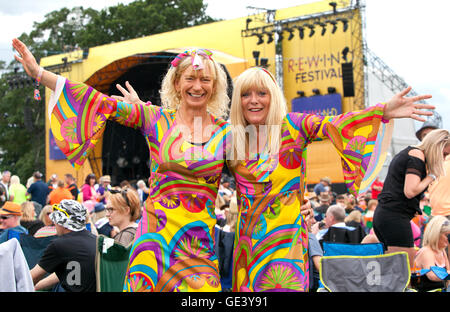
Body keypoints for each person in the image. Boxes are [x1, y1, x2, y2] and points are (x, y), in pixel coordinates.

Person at [12, 38, 232, 292]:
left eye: (205, 79)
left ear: (215, 86)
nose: (197, 86)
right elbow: (98, 102)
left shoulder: (227, 134)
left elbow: (263, 169)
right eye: (190, 78)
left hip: (199, 248)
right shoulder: (156, 119)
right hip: (154, 244)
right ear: (176, 82)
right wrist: (39, 73)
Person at [226, 67, 433, 292]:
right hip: (247, 250)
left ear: (273, 96)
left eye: (261, 93)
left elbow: (336, 124)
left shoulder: (293, 127)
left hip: (286, 246)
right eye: (246, 94)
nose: (253, 101)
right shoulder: (231, 137)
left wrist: (382, 111)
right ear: (238, 100)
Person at [373, 129, 450, 267]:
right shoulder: (416, 154)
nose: (443, 159)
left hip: (389, 215)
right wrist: (431, 176)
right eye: (444, 154)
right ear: (436, 146)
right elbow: (410, 191)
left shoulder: (413, 154)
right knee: (402, 271)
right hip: (394, 217)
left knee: (396, 271)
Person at [30, 199, 97, 292]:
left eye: (56, 220)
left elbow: (32, 277)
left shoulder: (59, 245)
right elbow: (67, 271)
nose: (55, 223)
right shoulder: (95, 240)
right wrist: (36, 287)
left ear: (64, 223)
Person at [413, 216, 450, 291]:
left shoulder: (441, 251)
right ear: (436, 234)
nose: (448, 238)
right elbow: (432, 276)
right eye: (447, 235)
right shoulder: (426, 252)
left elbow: (448, 275)